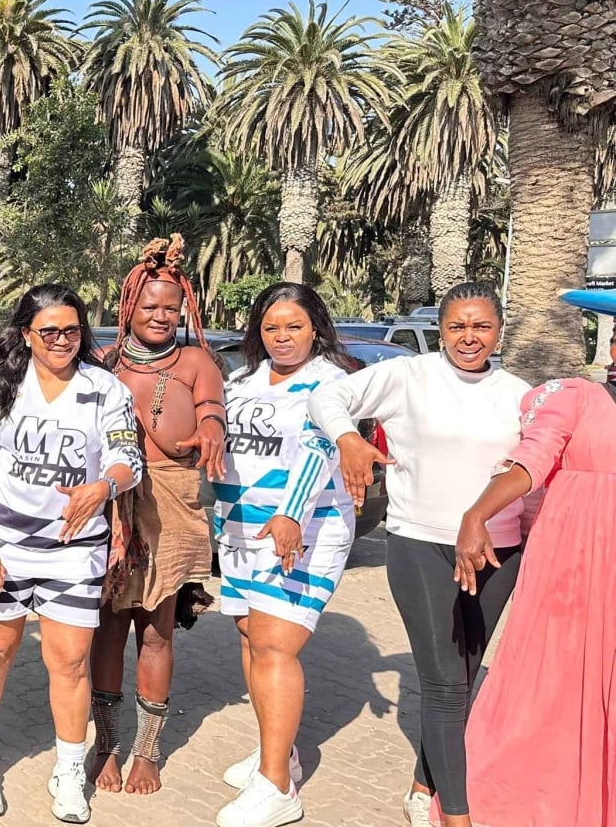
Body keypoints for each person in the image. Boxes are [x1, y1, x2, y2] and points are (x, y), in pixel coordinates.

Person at [308, 282, 528, 827]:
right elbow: (326, 398)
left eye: (481, 326)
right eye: (457, 326)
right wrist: (348, 439)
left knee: (464, 679)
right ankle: (455, 815)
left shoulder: (519, 393)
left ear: (499, 331)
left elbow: (535, 471)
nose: (469, 337)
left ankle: (423, 785)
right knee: (445, 684)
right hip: (421, 542)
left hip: (499, 550)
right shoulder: (408, 375)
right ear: (441, 329)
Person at [0, 284, 142, 825]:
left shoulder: (104, 389)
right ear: (25, 334)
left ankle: (68, 771)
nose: (62, 340)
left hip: (75, 547)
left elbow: (128, 457)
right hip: (6, 543)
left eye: (72, 330)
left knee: (70, 661)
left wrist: (103, 487)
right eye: (49, 331)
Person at [450, 290, 616, 827]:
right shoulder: (578, 397)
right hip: (575, 566)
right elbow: (532, 458)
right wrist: (478, 513)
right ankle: (540, 799)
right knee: (560, 678)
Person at [212, 283, 356, 827]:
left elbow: (321, 449)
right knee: (252, 636)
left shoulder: (332, 383)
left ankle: (277, 788)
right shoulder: (241, 380)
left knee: (275, 644)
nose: (282, 337)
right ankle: (280, 750)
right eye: (271, 327)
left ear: (316, 328)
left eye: (294, 326)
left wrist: (292, 514)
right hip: (241, 528)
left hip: (306, 529)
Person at [91, 235, 224, 797]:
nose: (161, 316)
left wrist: (211, 429)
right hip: (114, 505)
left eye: (172, 307)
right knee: (108, 629)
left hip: (172, 500)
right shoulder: (104, 362)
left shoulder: (196, 361)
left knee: (156, 630)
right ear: (129, 307)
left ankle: (147, 750)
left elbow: (212, 410)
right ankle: (106, 746)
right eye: (150, 306)